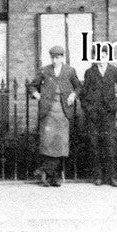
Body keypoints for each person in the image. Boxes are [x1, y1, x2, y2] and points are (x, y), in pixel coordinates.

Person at [27, 45, 81, 186]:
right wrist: (37, 95)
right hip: (48, 113)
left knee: (60, 144)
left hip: (63, 112)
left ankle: (52, 176)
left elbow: (79, 86)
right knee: (48, 144)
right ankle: (49, 176)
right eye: (53, 58)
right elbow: (31, 86)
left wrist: (73, 95)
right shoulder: (45, 70)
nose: (55, 60)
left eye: (57, 57)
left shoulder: (70, 71)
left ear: (62, 57)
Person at [80, 57, 117, 187]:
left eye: (103, 55)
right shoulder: (90, 72)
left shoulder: (114, 70)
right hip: (93, 114)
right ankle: (98, 176)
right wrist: (88, 108)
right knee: (94, 144)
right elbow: (83, 93)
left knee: (110, 143)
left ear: (107, 56)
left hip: (108, 113)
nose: (100, 59)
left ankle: (111, 176)